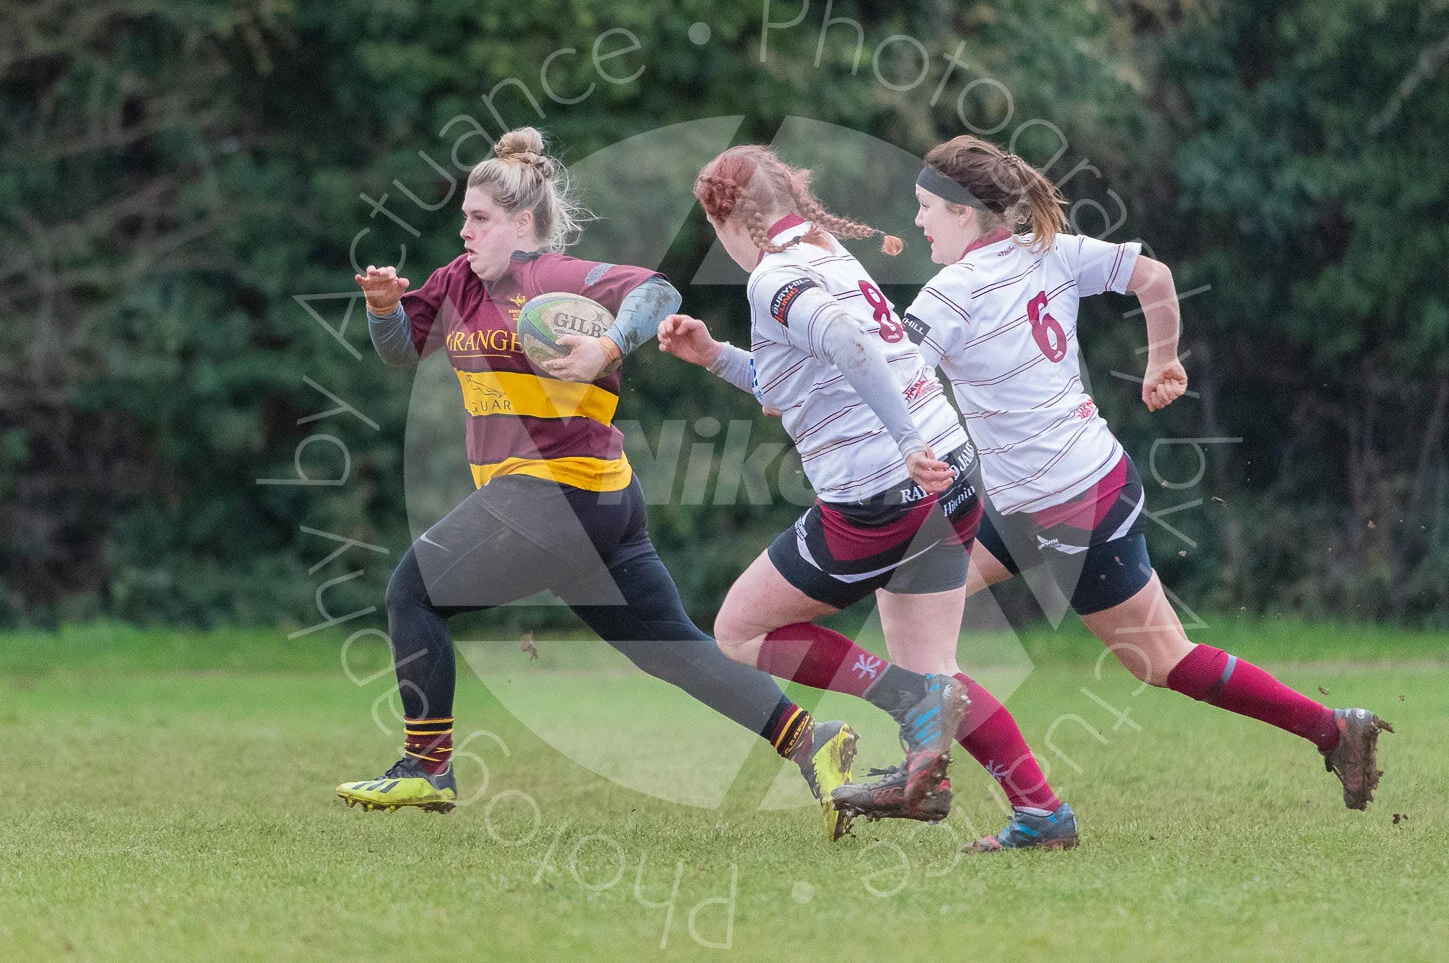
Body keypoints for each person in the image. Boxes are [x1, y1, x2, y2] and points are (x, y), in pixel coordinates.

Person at [337, 128, 859, 835]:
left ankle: (427, 768)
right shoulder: (457, 282)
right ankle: (813, 744)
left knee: (412, 591)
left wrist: (610, 345)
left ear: (523, 224)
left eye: (479, 218)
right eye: (464, 216)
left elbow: (658, 288)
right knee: (672, 651)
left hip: (556, 494)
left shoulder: (551, 277)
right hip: (595, 503)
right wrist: (380, 309)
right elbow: (402, 348)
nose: (463, 229)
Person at [895, 134, 1392, 849]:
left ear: (967, 216)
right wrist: (1162, 363)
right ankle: (1334, 730)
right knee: (1163, 660)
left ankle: (1019, 804)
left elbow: (902, 380)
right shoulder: (1052, 251)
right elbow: (1154, 277)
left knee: (914, 611)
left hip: (1049, 506)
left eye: (925, 209)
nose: (918, 223)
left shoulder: (950, 293)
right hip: (1099, 477)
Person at [657, 145, 1075, 848]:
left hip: (886, 493)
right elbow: (800, 382)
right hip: (953, 471)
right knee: (938, 672)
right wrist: (715, 357)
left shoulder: (774, 280)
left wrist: (904, 438)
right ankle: (1039, 811)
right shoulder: (827, 254)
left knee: (739, 632)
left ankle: (913, 708)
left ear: (726, 217)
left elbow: (851, 343)